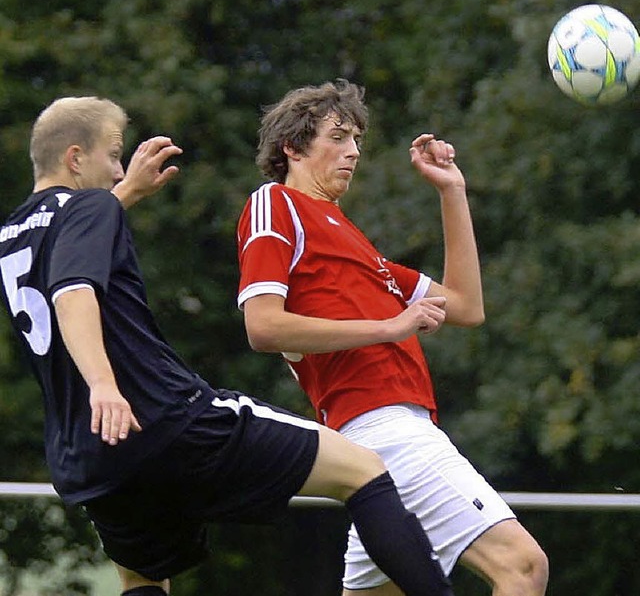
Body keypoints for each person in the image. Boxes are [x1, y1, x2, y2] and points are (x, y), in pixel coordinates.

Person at [0, 95, 455, 596]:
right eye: (112, 156)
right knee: (365, 470)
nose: (117, 170)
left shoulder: (12, 236)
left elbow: (67, 245)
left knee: (142, 576)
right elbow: (73, 291)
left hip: (91, 450)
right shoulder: (89, 205)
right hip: (161, 415)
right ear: (74, 158)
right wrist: (104, 383)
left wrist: (127, 192)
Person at [236, 79, 550, 596]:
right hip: (387, 430)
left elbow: (467, 306)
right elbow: (262, 326)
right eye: (338, 136)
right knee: (522, 567)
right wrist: (391, 326)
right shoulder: (277, 204)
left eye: (357, 138)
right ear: (292, 147)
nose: (353, 151)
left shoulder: (359, 246)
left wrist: (452, 191)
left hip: (376, 450)